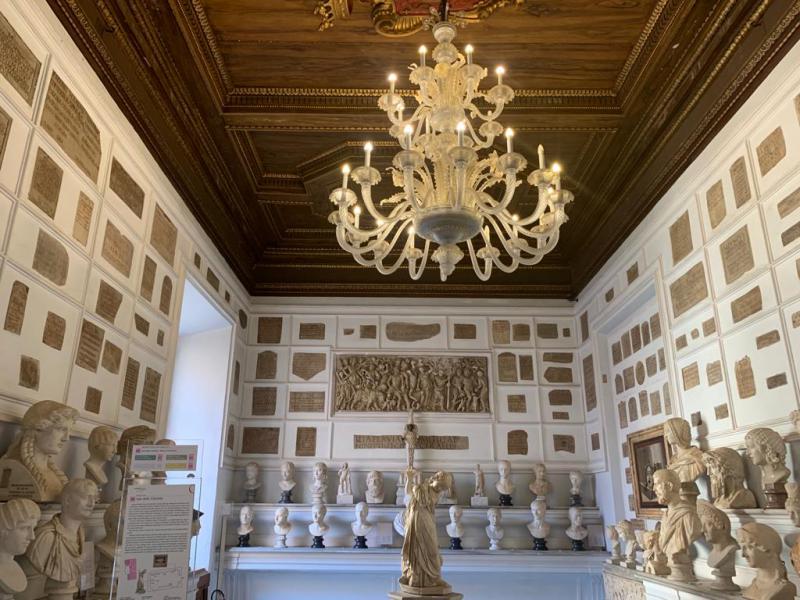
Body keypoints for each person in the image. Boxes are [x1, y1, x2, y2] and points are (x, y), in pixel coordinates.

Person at [400, 471, 452, 590]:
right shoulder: (421, 488)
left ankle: (434, 578)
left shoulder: (436, 493)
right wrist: (409, 479)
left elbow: (430, 505)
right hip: (416, 520)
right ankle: (415, 576)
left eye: (443, 488)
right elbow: (408, 493)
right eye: (440, 486)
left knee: (432, 549)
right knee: (416, 548)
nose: (440, 489)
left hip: (427, 521)